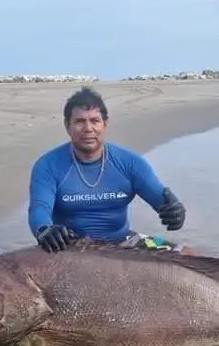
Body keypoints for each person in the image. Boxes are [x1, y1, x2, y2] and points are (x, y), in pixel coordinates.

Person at [27, 86, 188, 253]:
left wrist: (175, 212)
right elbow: (39, 208)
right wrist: (44, 230)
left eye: (94, 120)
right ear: (67, 125)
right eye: (79, 121)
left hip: (124, 241)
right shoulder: (48, 165)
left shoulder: (130, 163)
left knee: (185, 254)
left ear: (105, 124)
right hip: (70, 249)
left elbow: (164, 201)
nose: (88, 128)